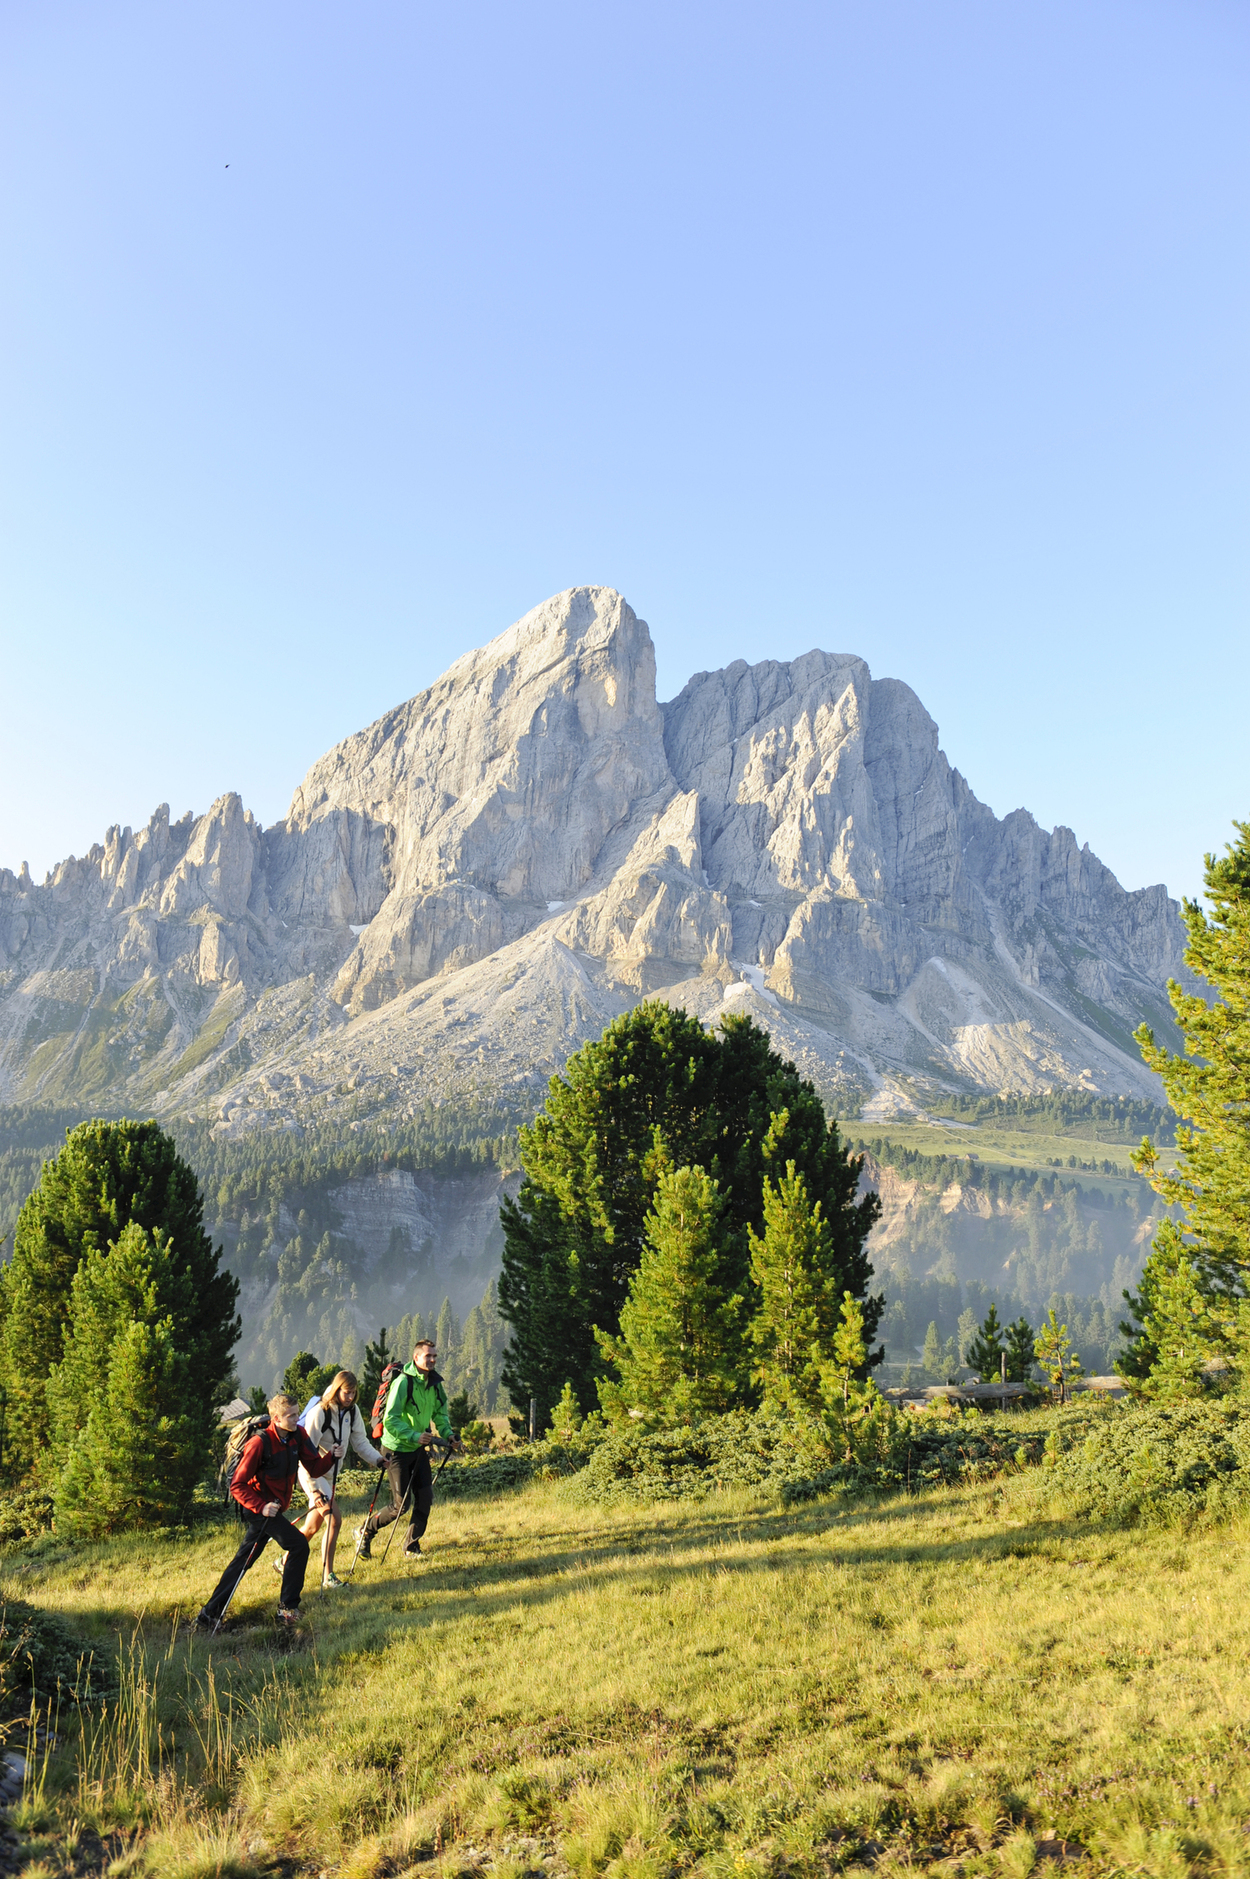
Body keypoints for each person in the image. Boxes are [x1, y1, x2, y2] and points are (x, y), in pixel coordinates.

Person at [196, 1392, 335, 1631]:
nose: (296, 1419)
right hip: (259, 1509)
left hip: (273, 1509)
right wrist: (262, 1506)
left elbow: (313, 1467)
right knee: (298, 1545)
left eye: (297, 1413)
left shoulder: (297, 1435)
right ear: (276, 1418)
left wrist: (332, 1456)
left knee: (244, 1560)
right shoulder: (259, 1442)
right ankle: (287, 1610)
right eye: (291, 1416)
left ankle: (209, 1614)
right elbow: (237, 1484)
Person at [353, 1338, 462, 1561]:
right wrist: (414, 1435)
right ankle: (365, 1530)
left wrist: (448, 1434)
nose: (432, 1360)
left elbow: (440, 1414)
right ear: (416, 1357)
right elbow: (391, 1420)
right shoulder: (403, 1382)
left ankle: (411, 1547)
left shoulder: (435, 1383)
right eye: (427, 1356)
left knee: (425, 1498)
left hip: (418, 1449)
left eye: (434, 1356)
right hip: (396, 1450)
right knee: (400, 1505)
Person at [272, 1369, 381, 1588]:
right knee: (334, 1519)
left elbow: (360, 1443)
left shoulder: (353, 1411)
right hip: (313, 1474)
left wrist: (379, 1460)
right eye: (346, 1392)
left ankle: (283, 1562)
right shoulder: (320, 1412)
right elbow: (305, 1455)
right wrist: (314, 1490)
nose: (350, 1397)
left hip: (330, 1475)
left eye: (353, 1393)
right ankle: (328, 1576)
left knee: (312, 1527)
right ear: (337, 1389)